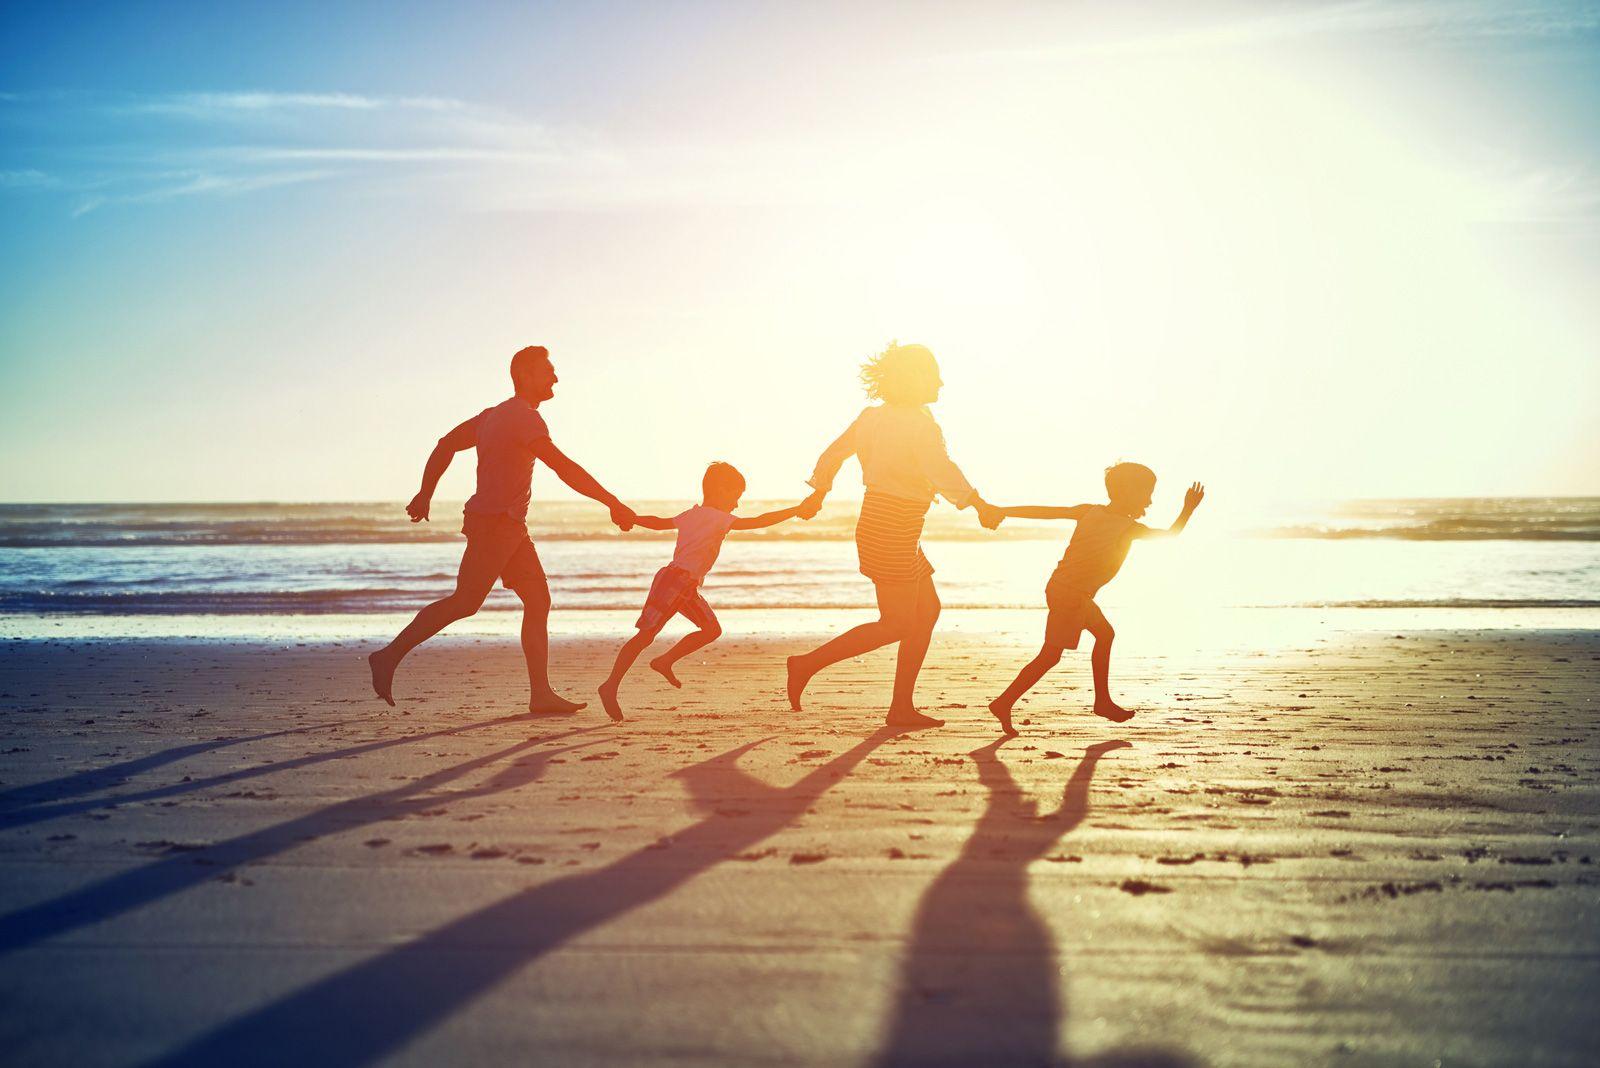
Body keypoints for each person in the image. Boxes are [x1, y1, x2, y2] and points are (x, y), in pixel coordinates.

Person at [368, 345, 636, 714]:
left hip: (509, 527)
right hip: (495, 525)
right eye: (548, 371)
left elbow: (446, 444)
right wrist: (612, 502)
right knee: (465, 602)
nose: (555, 378)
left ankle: (541, 694)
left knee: (537, 600)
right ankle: (388, 656)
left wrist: (426, 492)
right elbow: (563, 467)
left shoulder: (492, 416)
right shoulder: (524, 418)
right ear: (524, 375)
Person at [786, 342, 997, 729]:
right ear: (914, 379)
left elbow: (834, 453)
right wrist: (978, 503)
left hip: (890, 524)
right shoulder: (920, 424)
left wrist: (819, 492)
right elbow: (940, 468)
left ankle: (901, 707)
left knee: (927, 611)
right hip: (892, 527)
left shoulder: (873, 417)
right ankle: (806, 665)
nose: (941, 383)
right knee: (897, 623)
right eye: (934, 375)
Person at [985, 464, 1205, 732]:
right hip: (1072, 595)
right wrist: (1188, 509)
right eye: (1146, 493)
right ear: (1129, 493)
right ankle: (1005, 702)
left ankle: (1101, 701)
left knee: (1104, 634)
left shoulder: (1089, 511)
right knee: (1050, 656)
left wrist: (1003, 510)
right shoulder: (1128, 528)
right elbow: (1171, 535)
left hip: (1063, 588)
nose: (1149, 501)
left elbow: (1046, 512)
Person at [599, 462, 818, 721]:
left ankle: (665, 661)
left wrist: (633, 519)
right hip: (676, 582)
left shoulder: (692, 515)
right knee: (646, 635)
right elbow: (758, 521)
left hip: (684, 584)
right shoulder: (717, 518)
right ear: (720, 490)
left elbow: (659, 523)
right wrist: (795, 510)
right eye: (735, 497)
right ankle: (610, 685)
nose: (736, 505)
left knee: (711, 630)